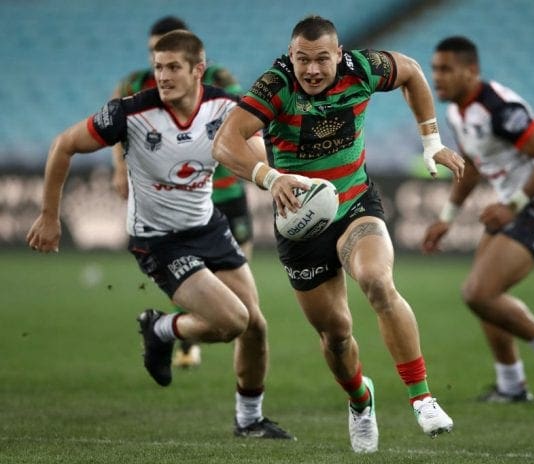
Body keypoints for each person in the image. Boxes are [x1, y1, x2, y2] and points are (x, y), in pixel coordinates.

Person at [213, 15, 465, 453]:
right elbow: (225, 142)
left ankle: (422, 398)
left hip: (354, 204)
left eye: (321, 59)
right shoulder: (275, 86)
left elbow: (411, 72)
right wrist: (271, 178)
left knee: (377, 281)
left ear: (339, 54)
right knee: (336, 336)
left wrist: (431, 142)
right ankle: (360, 401)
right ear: (290, 56)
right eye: (302, 59)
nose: (311, 70)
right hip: (301, 224)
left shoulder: (363, 68)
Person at [26, 30, 293, 439]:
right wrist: (49, 216)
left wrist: (275, 178)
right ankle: (161, 329)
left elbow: (256, 151)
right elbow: (64, 144)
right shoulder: (130, 113)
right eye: (158, 68)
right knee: (234, 320)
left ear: (198, 69)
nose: (163, 76)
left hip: (207, 226)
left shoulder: (226, 108)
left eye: (173, 67)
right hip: (158, 240)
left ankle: (249, 420)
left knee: (256, 325)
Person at [421, 36, 534, 406]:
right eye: (434, 69)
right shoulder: (456, 112)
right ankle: (511, 386)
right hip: (517, 206)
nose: (437, 77)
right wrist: (447, 217)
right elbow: (472, 166)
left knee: (479, 293)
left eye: (446, 69)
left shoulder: (499, 108)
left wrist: (513, 204)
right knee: (483, 296)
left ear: (471, 71)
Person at [111, 15, 252, 368]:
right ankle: (184, 336)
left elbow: (242, 123)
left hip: (225, 191)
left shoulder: (219, 80)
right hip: (174, 203)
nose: (157, 63)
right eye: (153, 54)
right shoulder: (137, 86)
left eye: (170, 59)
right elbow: (116, 127)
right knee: (191, 277)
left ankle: (228, 346)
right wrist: (120, 169)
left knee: (243, 300)